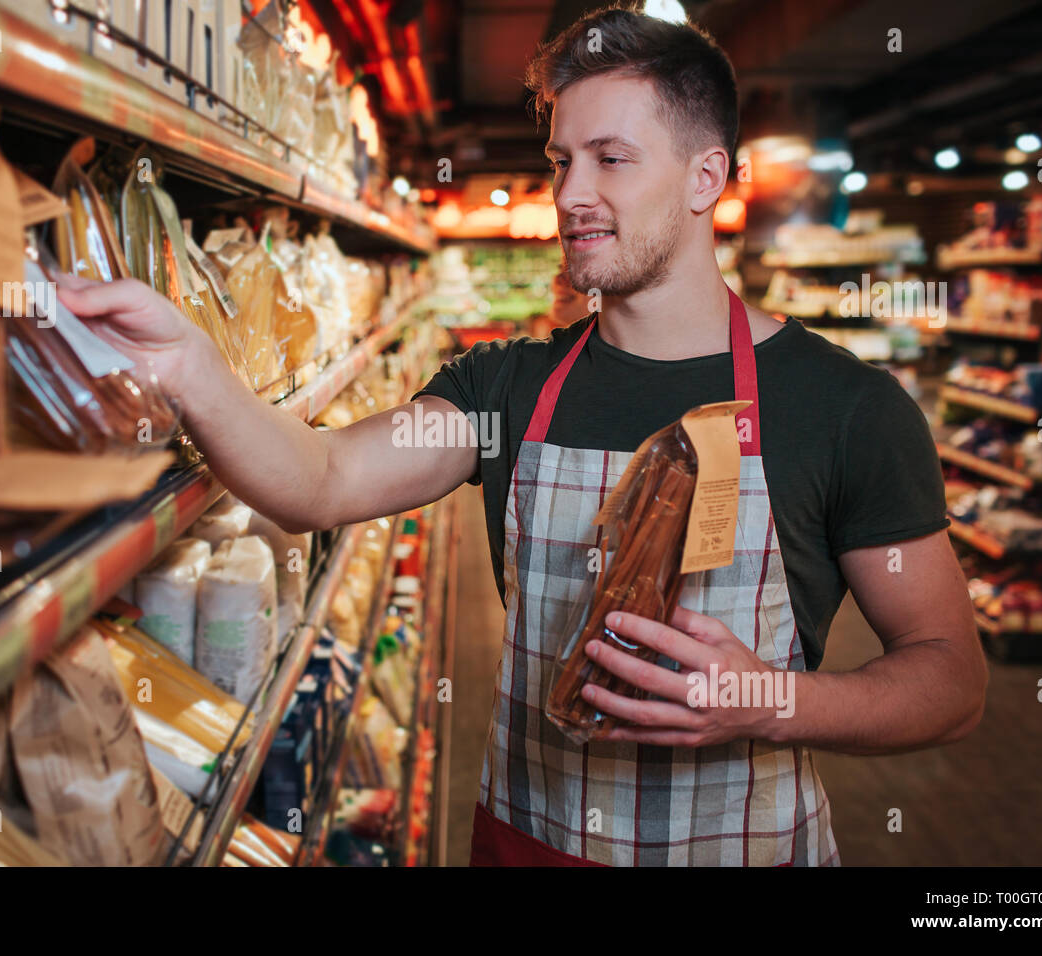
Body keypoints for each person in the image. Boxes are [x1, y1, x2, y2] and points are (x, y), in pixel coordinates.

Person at [53, 5, 987, 867]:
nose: (570, 194)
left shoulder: (845, 407)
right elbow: (322, 479)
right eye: (559, 160)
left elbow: (951, 681)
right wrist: (191, 367)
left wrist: (774, 701)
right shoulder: (508, 385)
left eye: (610, 158)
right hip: (524, 845)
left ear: (707, 176)